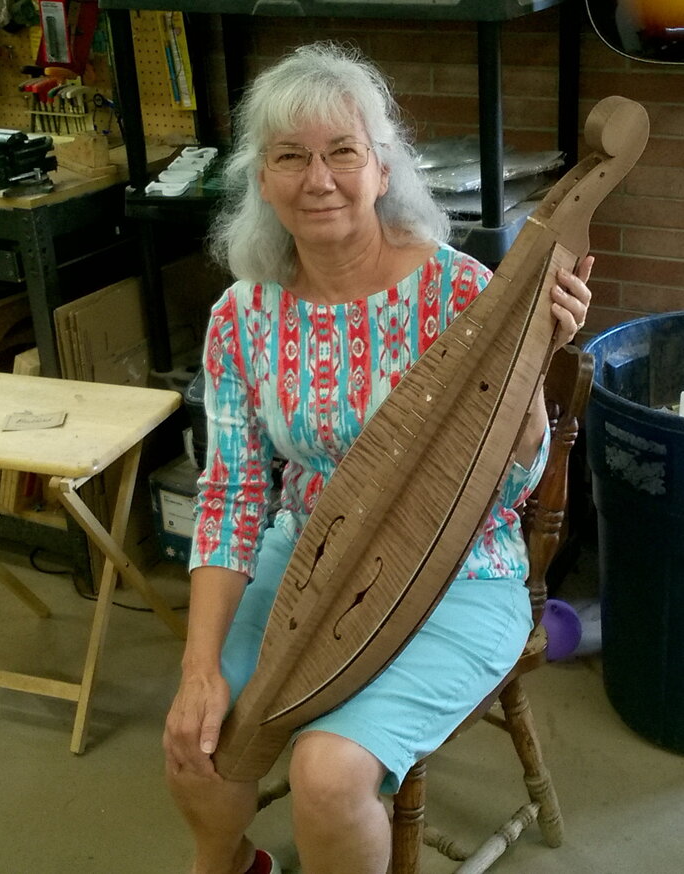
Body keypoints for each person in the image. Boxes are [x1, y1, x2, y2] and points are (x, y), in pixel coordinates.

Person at [163, 42, 592, 874]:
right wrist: (197, 669)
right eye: (290, 157)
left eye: (342, 153)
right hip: (311, 561)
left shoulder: (460, 294)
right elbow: (231, 499)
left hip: (459, 569)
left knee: (327, 774)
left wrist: (535, 365)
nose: (317, 179)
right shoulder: (241, 316)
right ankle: (227, 862)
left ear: (384, 166)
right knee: (198, 733)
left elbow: (508, 481)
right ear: (261, 178)